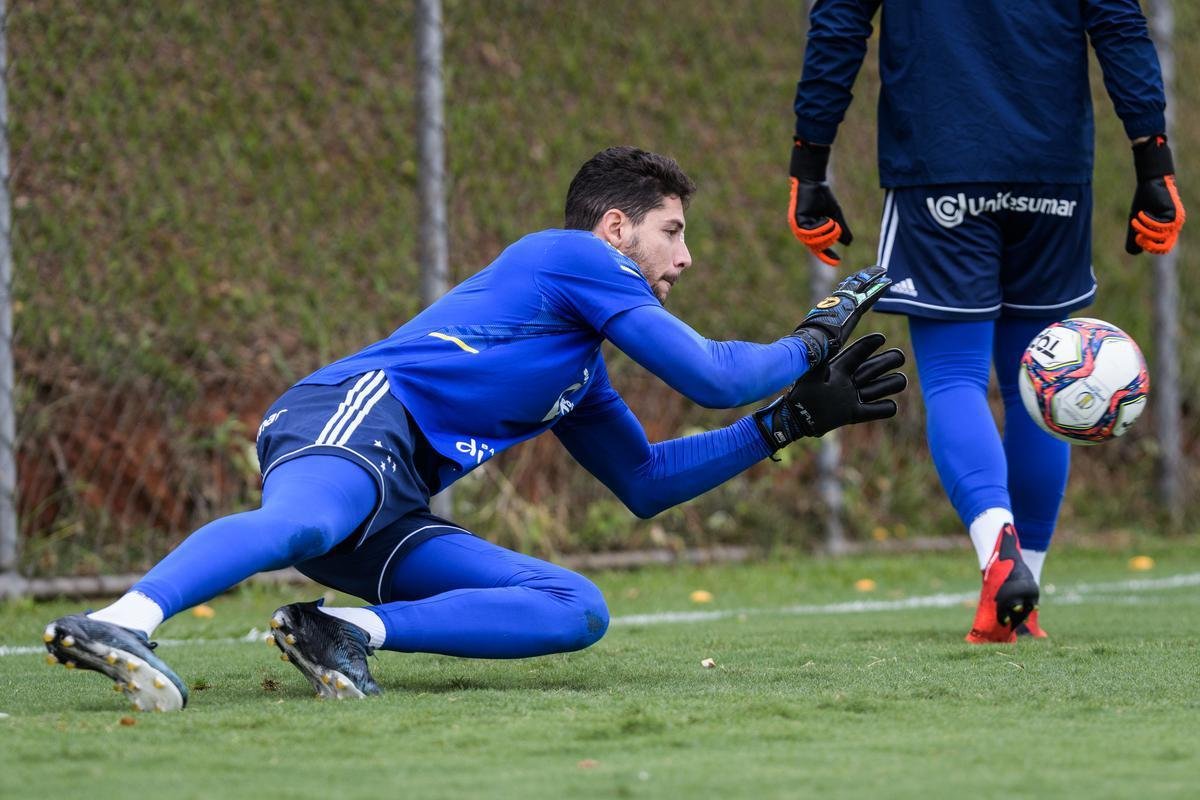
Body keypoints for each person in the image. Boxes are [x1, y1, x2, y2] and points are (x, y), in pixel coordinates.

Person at [43, 146, 907, 711]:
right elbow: (716, 377)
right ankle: (123, 618)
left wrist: (788, 423)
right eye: (670, 233)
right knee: (309, 519)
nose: (683, 258)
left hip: (394, 492)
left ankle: (343, 633)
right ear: (616, 231)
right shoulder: (572, 257)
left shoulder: (578, 368)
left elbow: (645, 484)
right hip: (353, 416)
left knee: (576, 607)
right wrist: (813, 335)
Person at [787, 0, 1185, 643]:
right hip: (1052, 173)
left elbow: (839, 23)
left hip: (940, 166)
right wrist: (1153, 161)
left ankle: (998, 562)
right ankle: (1024, 595)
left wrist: (810, 161)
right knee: (1044, 377)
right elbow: (1119, 23)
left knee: (954, 378)